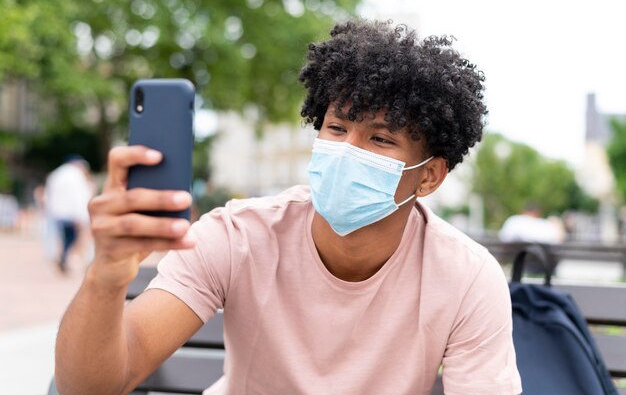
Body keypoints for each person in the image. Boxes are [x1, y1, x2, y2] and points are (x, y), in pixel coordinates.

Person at [55, 20, 522, 394]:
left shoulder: (466, 278)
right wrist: (106, 277)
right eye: (337, 128)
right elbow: (90, 388)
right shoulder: (239, 235)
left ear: (430, 175)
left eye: (380, 139)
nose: (347, 150)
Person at [44, 155, 94, 273]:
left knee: (62, 238)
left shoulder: (56, 174)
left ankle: (62, 257)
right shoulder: (76, 176)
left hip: (56, 212)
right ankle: (66, 257)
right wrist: (81, 215)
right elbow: (79, 197)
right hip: (73, 214)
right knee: (72, 238)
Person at [499, 203, 565, 244]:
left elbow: (503, 237)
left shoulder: (513, 220)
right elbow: (557, 240)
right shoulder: (542, 225)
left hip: (514, 259)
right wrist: (557, 223)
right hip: (538, 262)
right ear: (536, 212)